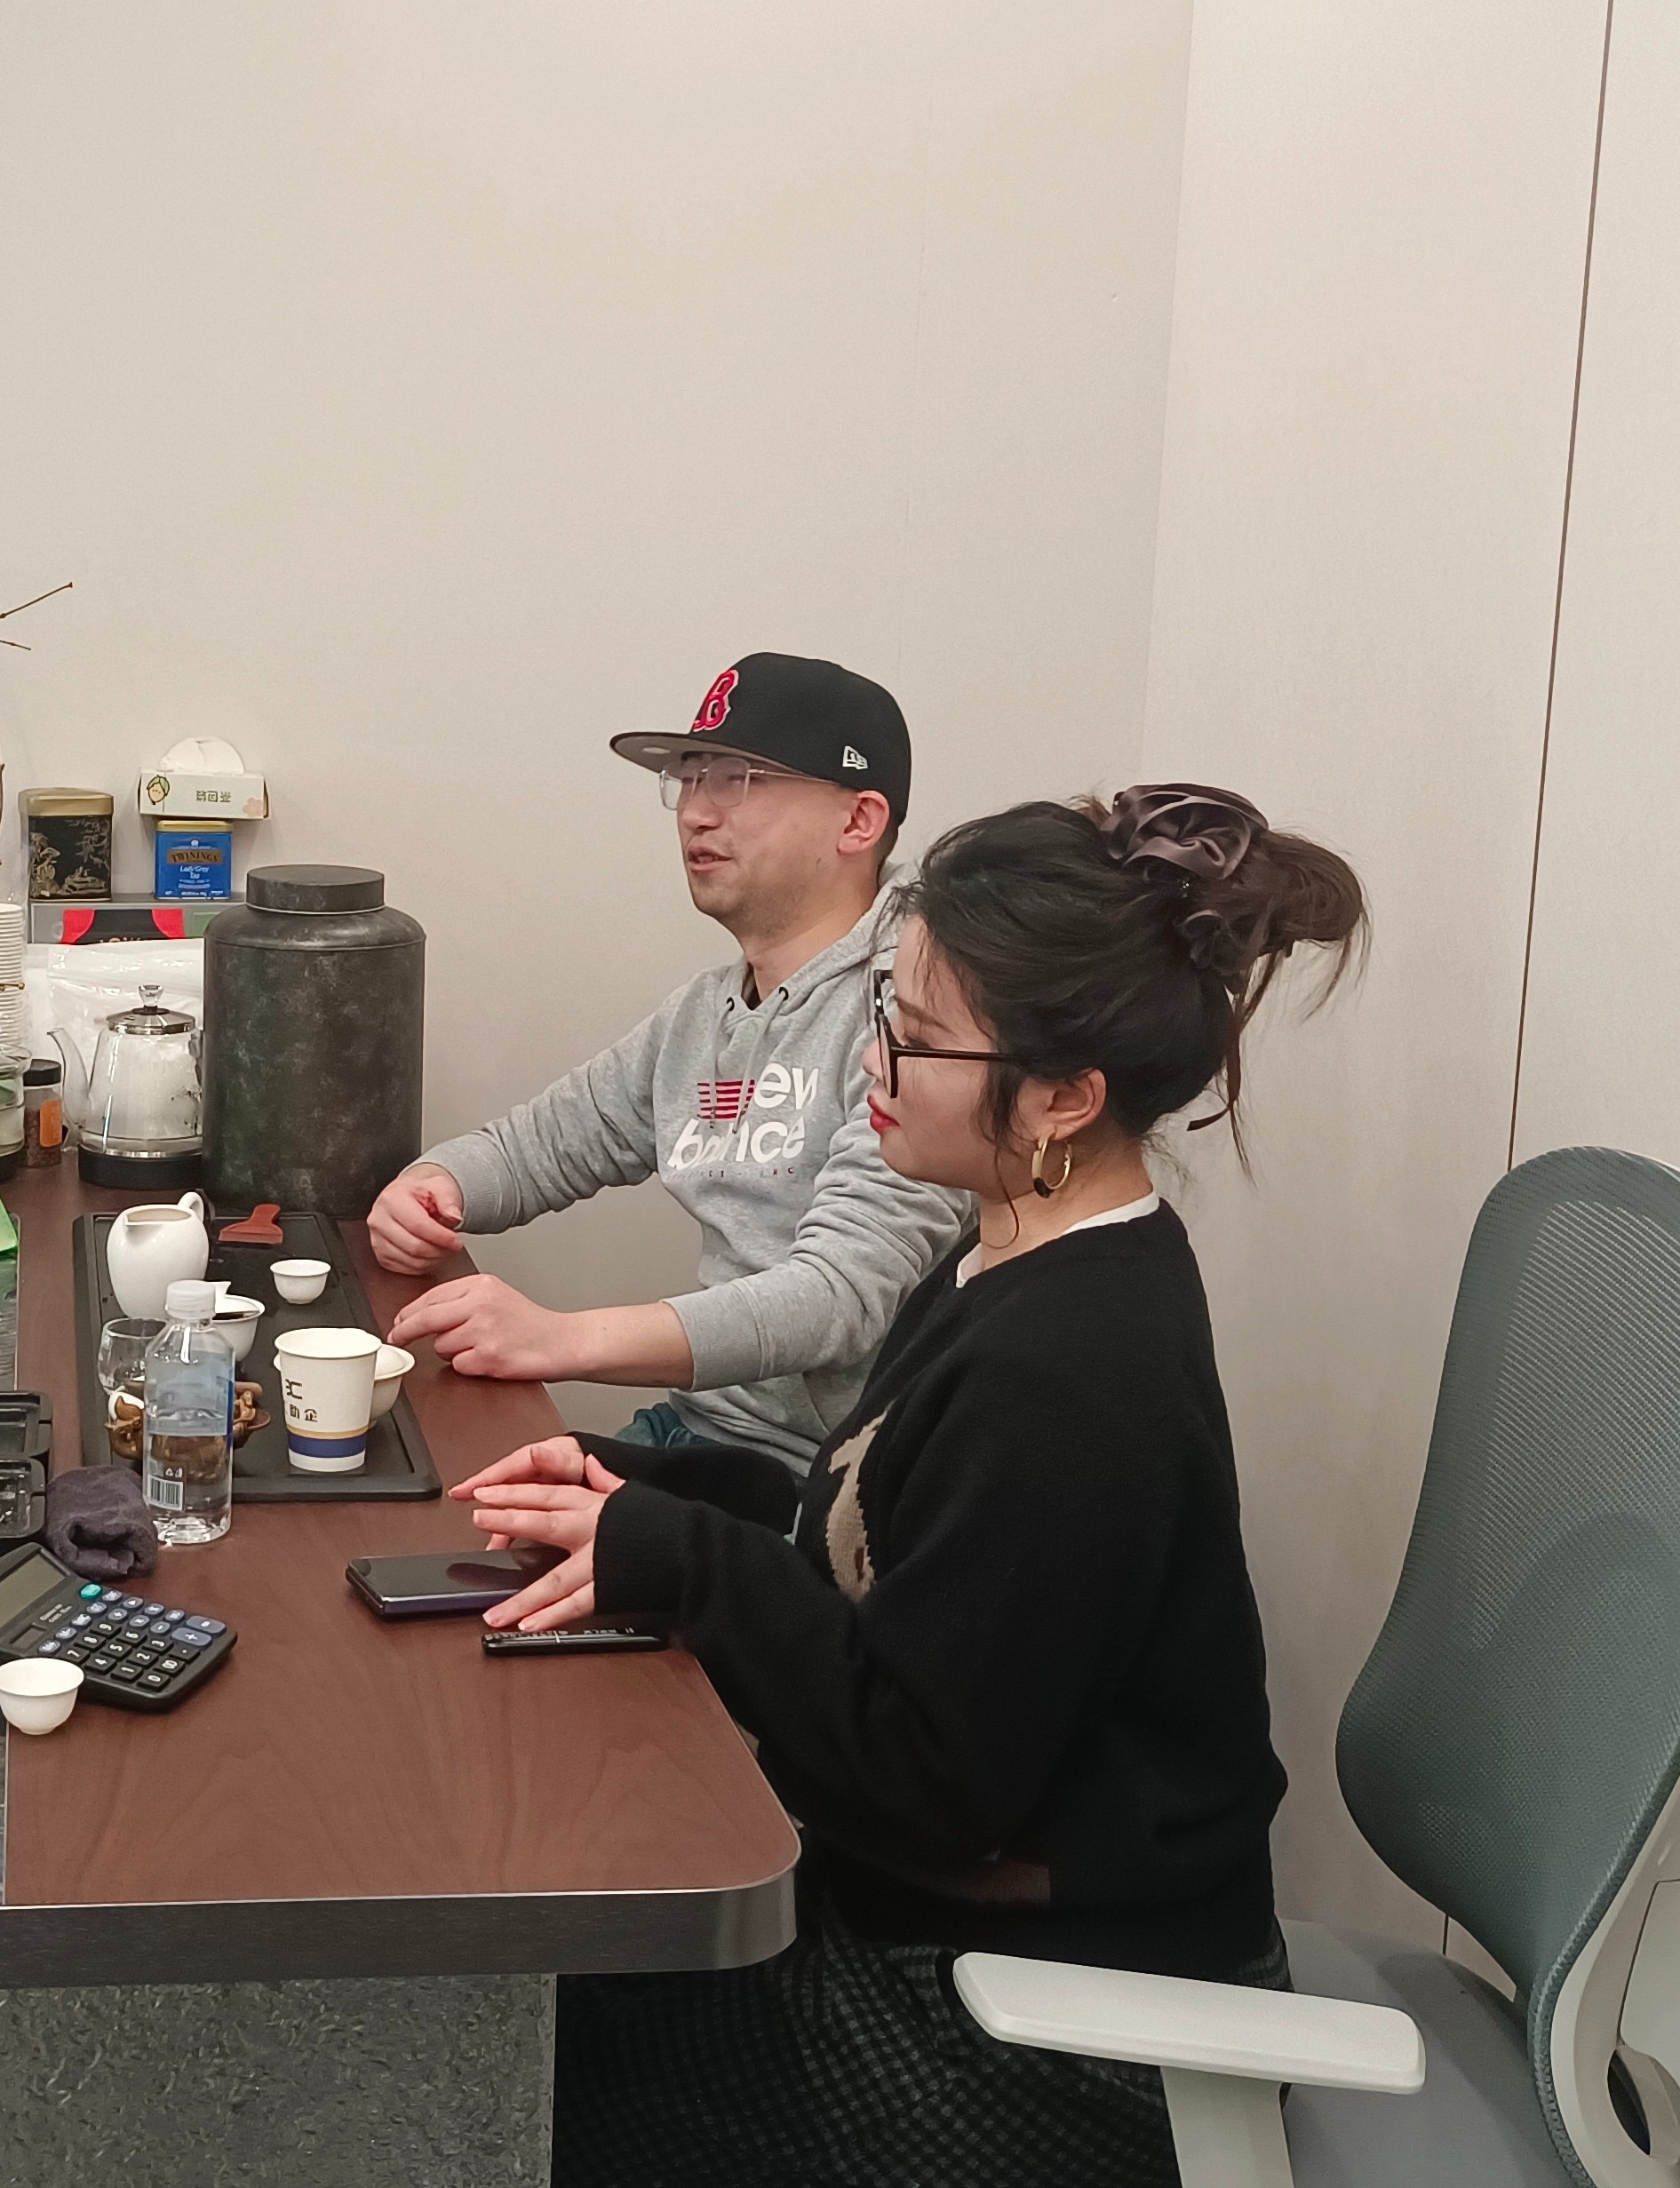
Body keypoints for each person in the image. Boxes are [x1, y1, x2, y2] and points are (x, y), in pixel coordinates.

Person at [452, 784, 1366, 2186]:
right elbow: (879, 1538)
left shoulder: (1068, 1375)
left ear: (1063, 1096)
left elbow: (929, 1782)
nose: (870, 1064)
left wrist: (686, 1562)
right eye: (884, 1012)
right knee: (513, 2003)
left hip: (1048, 2038)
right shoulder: (1012, 1251)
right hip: (940, 1933)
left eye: (917, 1039)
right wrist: (643, 1490)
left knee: (489, 2079)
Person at [369, 653, 969, 1473]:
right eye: (687, 780)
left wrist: (562, 1338)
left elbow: (839, 1296)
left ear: (858, 821)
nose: (695, 813)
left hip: (825, 1479)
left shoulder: (921, 1014)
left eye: (736, 781)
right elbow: (540, 1146)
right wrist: (432, 1185)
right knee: (455, 1505)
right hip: (699, 1431)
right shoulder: (705, 1012)